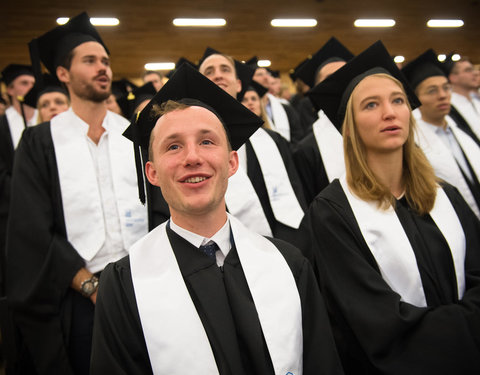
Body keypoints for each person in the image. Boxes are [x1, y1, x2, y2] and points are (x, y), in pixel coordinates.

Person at [90, 64, 344, 375]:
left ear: (232, 161)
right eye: (173, 146)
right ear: (152, 173)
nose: (192, 157)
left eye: (207, 141)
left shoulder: (289, 265)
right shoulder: (125, 284)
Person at [300, 41, 480, 374]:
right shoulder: (332, 214)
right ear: (350, 126)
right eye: (371, 104)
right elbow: (374, 323)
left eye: (397, 100)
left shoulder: (446, 197)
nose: (389, 112)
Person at [6, 12, 147, 374]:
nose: (103, 68)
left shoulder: (134, 135)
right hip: (80, 295)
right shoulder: (40, 142)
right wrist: (90, 286)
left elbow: (159, 209)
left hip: (145, 286)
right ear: (63, 74)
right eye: (90, 61)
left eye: (105, 61)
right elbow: (33, 231)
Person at [199, 48, 308, 244]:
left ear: (239, 84)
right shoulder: (188, 150)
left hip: (283, 249)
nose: (217, 75)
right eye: (209, 72)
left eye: (225, 69)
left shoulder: (273, 141)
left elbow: (297, 197)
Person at [402, 49, 480, 219]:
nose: (443, 96)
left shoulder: (462, 132)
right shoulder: (414, 144)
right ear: (416, 98)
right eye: (432, 91)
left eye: (446, 88)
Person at [293, 37, 354, 204]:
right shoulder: (306, 150)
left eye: (347, 74)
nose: (341, 82)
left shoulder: (385, 131)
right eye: (331, 77)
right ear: (318, 89)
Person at [248, 57, 304, 143]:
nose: (266, 77)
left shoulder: (285, 107)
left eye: (267, 74)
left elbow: (297, 135)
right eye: (260, 74)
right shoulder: (248, 107)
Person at [449, 58, 480, 140]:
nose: (476, 73)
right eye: (468, 70)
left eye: (473, 69)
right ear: (453, 78)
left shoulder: (476, 101)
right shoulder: (450, 107)